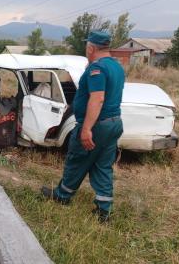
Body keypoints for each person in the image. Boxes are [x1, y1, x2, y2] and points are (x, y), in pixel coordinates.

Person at [41, 31, 125, 223]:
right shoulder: (115, 66)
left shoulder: (97, 69)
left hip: (97, 125)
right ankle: (104, 210)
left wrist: (87, 128)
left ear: (91, 47)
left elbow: (98, 98)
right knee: (103, 165)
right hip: (114, 123)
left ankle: (63, 196)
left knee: (77, 159)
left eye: (87, 45)